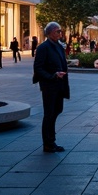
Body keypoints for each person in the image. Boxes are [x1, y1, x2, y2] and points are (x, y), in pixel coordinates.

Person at [32, 21, 70, 153]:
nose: (60, 33)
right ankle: (48, 143)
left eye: (60, 31)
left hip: (59, 85)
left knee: (56, 111)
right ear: (49, 33)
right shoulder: (44, 47)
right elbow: (38, 68)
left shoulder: (58, 46)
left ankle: (51, 140)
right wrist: (52, 75)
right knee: (49, 114)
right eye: (57, 31)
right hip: (49, 86)